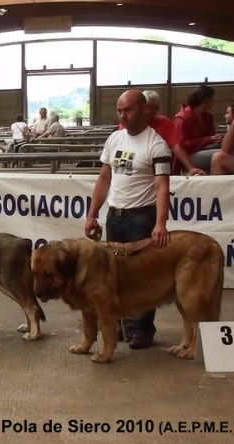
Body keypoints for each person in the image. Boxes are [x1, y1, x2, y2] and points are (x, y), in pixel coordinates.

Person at [85, 90, 171, 350]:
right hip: (116, 216)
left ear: (144, 110)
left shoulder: (157, 144)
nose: (123, 115)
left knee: (143, 276)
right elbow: (104, 179)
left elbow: (162, 187)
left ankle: (143, 329)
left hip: (142, 217)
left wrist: (160, 223)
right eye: (120, 110)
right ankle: (122, 326)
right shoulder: (114, 139)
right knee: (115, 275)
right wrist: (92, 214)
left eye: (128, 110)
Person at [118, 91, 205, 176]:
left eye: (147, 107)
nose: (144, 111)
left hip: (156, 167)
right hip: (134, 166)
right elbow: (123, 148)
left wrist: (191, 168)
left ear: (156, 109)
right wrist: (122, 174)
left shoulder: (164, 122)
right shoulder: (129, 123)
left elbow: (175, 146)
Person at [173, 84, 224, 173]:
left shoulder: (207, 117)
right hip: (187, 155)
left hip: (201, 149)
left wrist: (216, 139)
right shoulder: (182, 119)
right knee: (221, 155)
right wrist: (208, 139)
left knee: (225, 149)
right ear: (206, 101)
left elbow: (210, 137)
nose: (214, 102)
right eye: (212, 100)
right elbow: (182, 144)